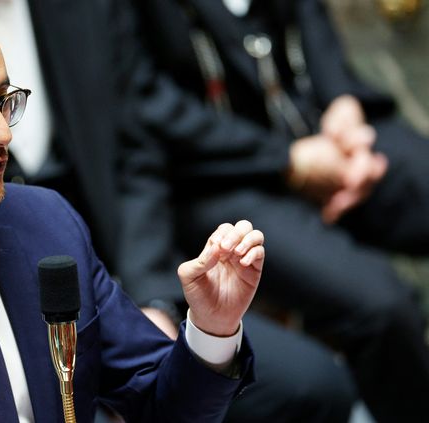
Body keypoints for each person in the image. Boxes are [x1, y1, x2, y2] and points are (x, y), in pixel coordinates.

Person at [0, 0, 358, 421]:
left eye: (4, 103)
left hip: (86, 266)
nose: (2, 136)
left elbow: (162, 404)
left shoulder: (46, 223)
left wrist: (211, 328)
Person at [117, 0, 429, 421]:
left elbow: (311, 18)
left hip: (318, 127)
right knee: (384, 306)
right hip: (219, 176)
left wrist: (342, 104)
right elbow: (145, 104)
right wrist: (287, 159)